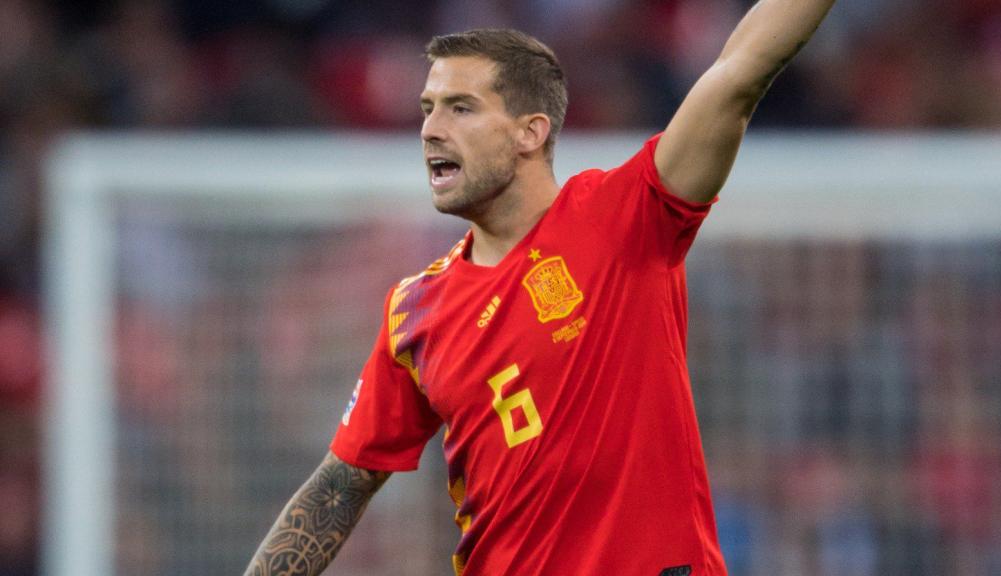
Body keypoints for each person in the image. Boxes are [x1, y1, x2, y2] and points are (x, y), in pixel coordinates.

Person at [246, 2, 835, 574]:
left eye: (460, 109)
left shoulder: (620, 217)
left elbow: (739, 74)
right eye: (427, 108)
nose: (429, 129)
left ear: (530, 133)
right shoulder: (415, 310)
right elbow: (342, 481)